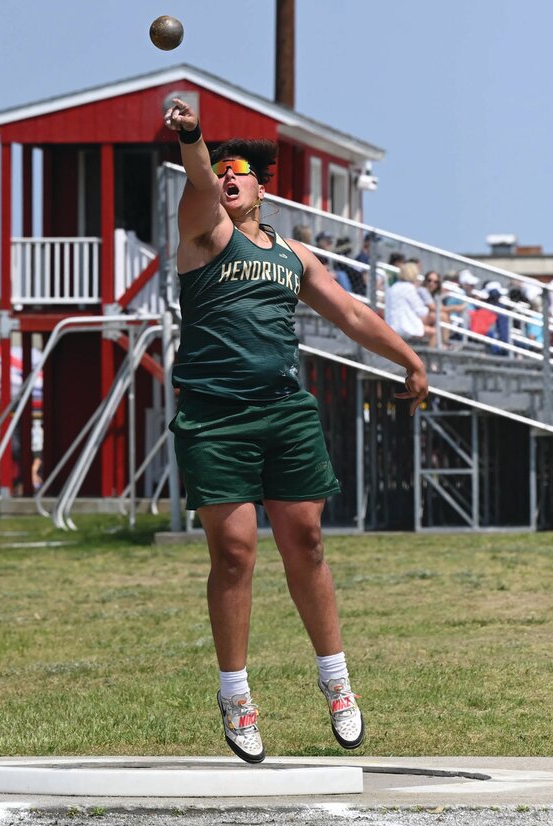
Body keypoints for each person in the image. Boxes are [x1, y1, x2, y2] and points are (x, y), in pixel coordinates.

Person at [163, 97, 428, 764]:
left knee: (305, 541)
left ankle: (336, 682)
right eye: (220, 168)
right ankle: (235, 696)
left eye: (239, 170)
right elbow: (195, 180)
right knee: (233, 552)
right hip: (216, 415)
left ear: (263, 184)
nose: (226, 177)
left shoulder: (292, 255)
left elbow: (352, 314)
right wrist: (193, 134)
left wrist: (409, 358)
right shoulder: (203, 234)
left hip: (284, 410)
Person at [386, 261, 435, 344]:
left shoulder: (393, 287)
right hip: (405, 327)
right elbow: (421, 311)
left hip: (392, 325)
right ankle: (432, 355)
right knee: (435, 331)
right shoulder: (409, 288)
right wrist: (428, 308)